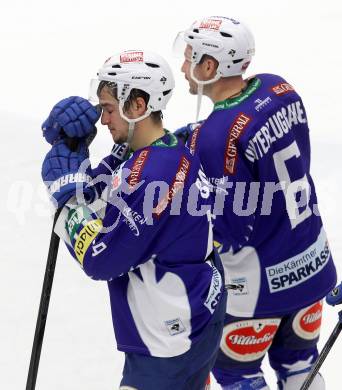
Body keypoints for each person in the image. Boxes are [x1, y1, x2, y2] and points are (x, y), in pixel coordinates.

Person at [41, 49, 226, 389]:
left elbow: (102, 258)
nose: (103, 120)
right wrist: (79, 168)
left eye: (109, 109)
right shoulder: (165, 149)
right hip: (198, 311)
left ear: (137, 105)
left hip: (169, 339)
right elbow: (113, 193)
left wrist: (68, 203)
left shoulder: (150, 177)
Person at [174, 16, 337, 390]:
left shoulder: (216, 136)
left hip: (258, 290)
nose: (183, 67)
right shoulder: (279, 87)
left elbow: (230, 230)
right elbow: (260, 138)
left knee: (237, 375)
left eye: (189, 58)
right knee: (301, 367)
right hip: (311, 263)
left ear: (210, 66)